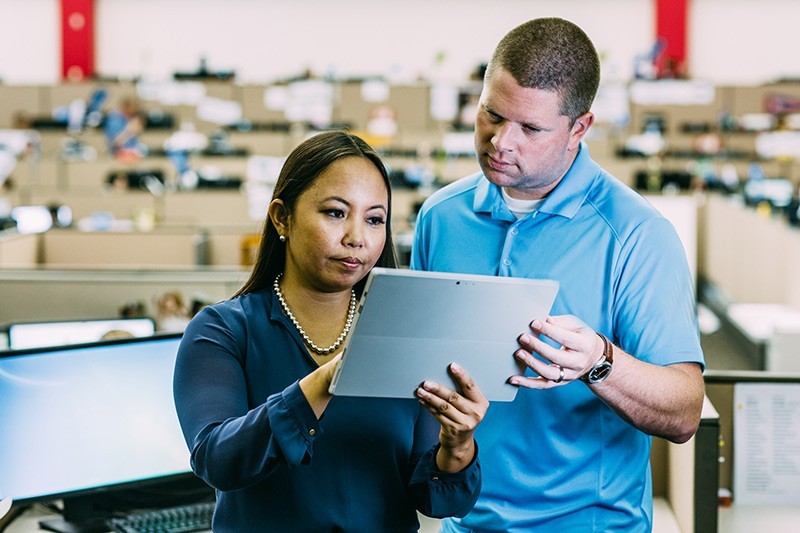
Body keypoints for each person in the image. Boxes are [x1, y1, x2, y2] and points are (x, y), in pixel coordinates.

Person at [411, 18, 705, 532]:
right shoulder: (441, 217)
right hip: (465, 522)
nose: (501, 141)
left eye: (531, 128)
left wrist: (600, 361)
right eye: (491, 114)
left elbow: (684, 412)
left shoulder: (637, 235)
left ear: (579, 128)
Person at [173, 131, 488, 531]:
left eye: (375, 219)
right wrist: (331, 376)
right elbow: (218, 461)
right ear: (281, 216)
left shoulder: (404, 337)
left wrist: (457, 445)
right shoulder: (223, 331)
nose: (357, 237)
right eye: (336, 213)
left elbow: (437, 499)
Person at [103, 97, 146, 161]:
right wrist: (129, 130)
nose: (133, 112)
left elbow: (136, 141)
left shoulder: (133, 119)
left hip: (132, 151)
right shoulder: (114, 119)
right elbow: (115, 142)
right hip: (116, 151)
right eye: (132, 109)